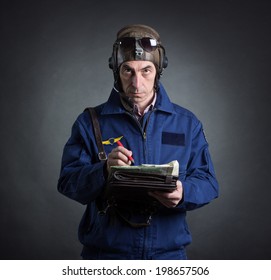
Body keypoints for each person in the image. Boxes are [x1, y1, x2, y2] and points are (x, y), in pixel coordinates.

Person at [57, 24, 219, 260]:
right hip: (107, 257)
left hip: (169, 258)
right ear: (116, 70)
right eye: (127, 71)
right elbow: (68, 182)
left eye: (146, 71)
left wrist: (184, 192)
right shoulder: (89, 122)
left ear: (158, 70)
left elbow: (209, 182)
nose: (136, 83)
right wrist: (103, 170)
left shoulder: (187, 123)